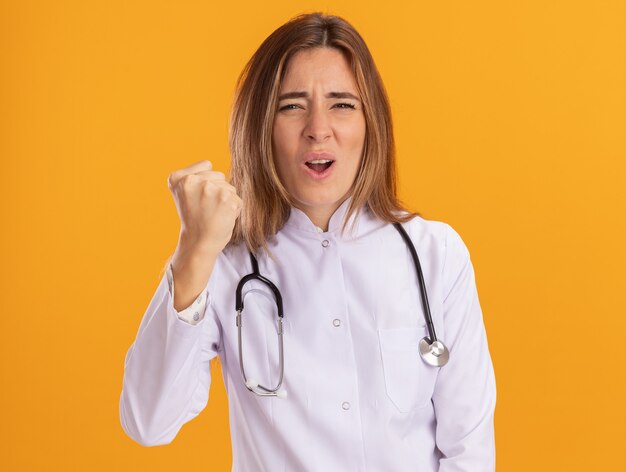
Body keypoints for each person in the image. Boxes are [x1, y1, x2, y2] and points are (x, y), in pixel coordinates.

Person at [119, 12, 496, 471]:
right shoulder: (224, 266)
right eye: (292, 105)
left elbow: (469, 451)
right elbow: (148, 422)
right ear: (262, 126)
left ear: (370, 123)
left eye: (342, 104)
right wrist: (194, 250)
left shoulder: (437, 255)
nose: (318, 127)